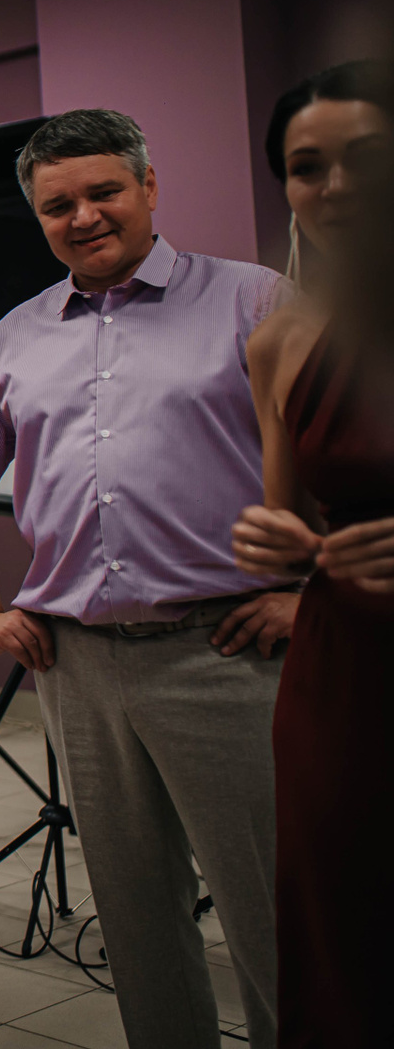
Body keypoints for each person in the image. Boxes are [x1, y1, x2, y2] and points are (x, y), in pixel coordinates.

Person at [0, 109, 295, 1049]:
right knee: (133, 915)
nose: (83, 216)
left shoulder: (254, 301)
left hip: (226, 655)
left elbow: (351, 454)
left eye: (103, 193)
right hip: (78, 664)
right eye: (59, 205)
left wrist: (309, 591)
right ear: (38, 218)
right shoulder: (14, 338)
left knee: (275, 910)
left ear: (149, 187)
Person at [231, 61, 394, 1047]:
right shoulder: (282, 339)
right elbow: (282, 524)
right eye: (306, 167)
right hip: (345, 667)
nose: (335, 187)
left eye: (365, 158)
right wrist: (284, 548)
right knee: (345, 917)